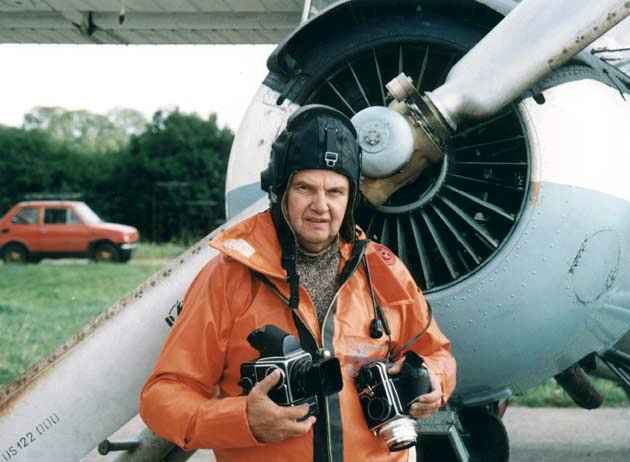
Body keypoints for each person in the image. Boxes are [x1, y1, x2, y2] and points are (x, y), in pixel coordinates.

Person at [139, 105, 456, 462]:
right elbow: (162, 397)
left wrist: (433, 379)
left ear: (351, 198)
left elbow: (437, 354)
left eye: (335, 191)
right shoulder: (226, 278)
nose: (321, 206)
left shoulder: (383, 270)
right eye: (305, 188)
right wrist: (244, 420)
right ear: (281, 192)